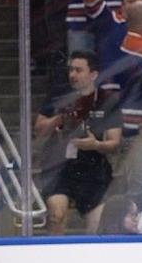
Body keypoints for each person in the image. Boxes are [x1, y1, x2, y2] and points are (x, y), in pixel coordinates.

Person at [34, 51, 121, 234]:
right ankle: (55, 256)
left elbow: (114, 142)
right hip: (59, 166)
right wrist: (59, 120)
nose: (72, 74)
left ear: (93, 74)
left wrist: (95, 145)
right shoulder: (59, 94)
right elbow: (39, 129)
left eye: (79, 70)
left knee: (97, 225)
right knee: (57, 215)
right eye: (71, 70)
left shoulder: (107, 99)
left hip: (92, 167)